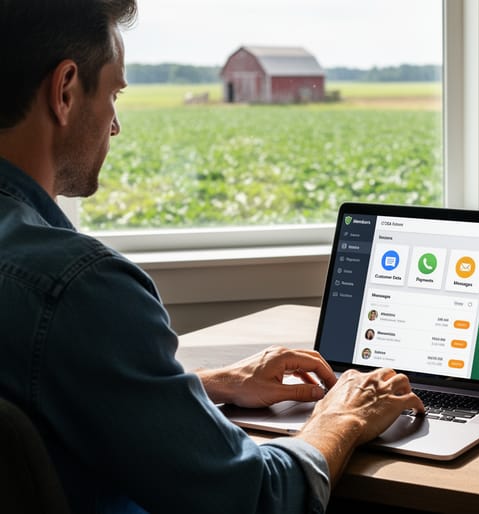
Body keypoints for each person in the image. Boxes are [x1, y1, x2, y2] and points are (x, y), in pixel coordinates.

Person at [0, 2, 423, 513]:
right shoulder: (79, 289)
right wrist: (343, 416)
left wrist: (208, 384)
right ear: (65, 90)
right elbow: (256, 499)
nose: (115, 126)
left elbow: (41, 386)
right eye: (114, 94)